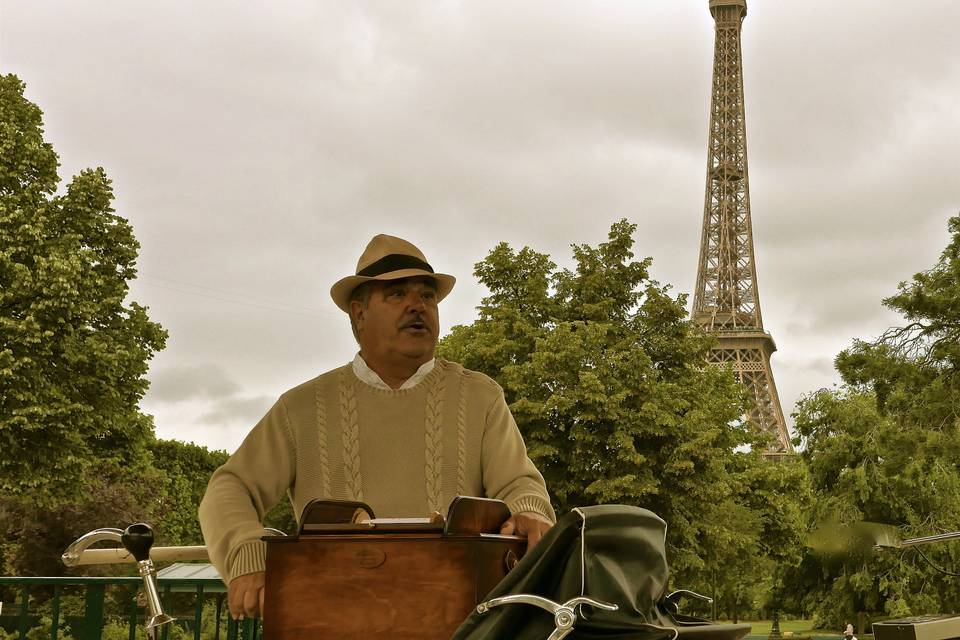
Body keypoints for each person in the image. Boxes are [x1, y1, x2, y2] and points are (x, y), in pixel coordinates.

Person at [199, 233, 556, 619]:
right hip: (329, 620)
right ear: (358, 313)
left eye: (427, 295)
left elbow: (518, 483)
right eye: (397, 294)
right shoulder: (301, 406)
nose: (417, 305)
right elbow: (230, 486)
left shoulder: (482, 396)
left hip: (458, 621)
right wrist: (248, 554)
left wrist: (530, 511)